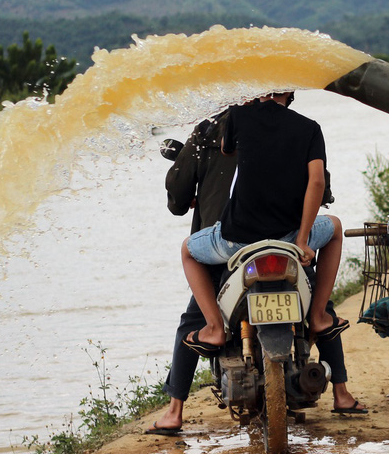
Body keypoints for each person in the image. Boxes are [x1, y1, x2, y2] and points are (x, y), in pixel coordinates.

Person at [148, 96, 364, 435]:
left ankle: (175, 411)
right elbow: (321, 188)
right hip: (290, 241)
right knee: (318, 307)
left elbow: (177, 197)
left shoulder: (212, 130)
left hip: (229, 246)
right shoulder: (303, 129)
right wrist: (303, 235)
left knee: (194, 319)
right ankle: (341, 392)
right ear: (288, 95)